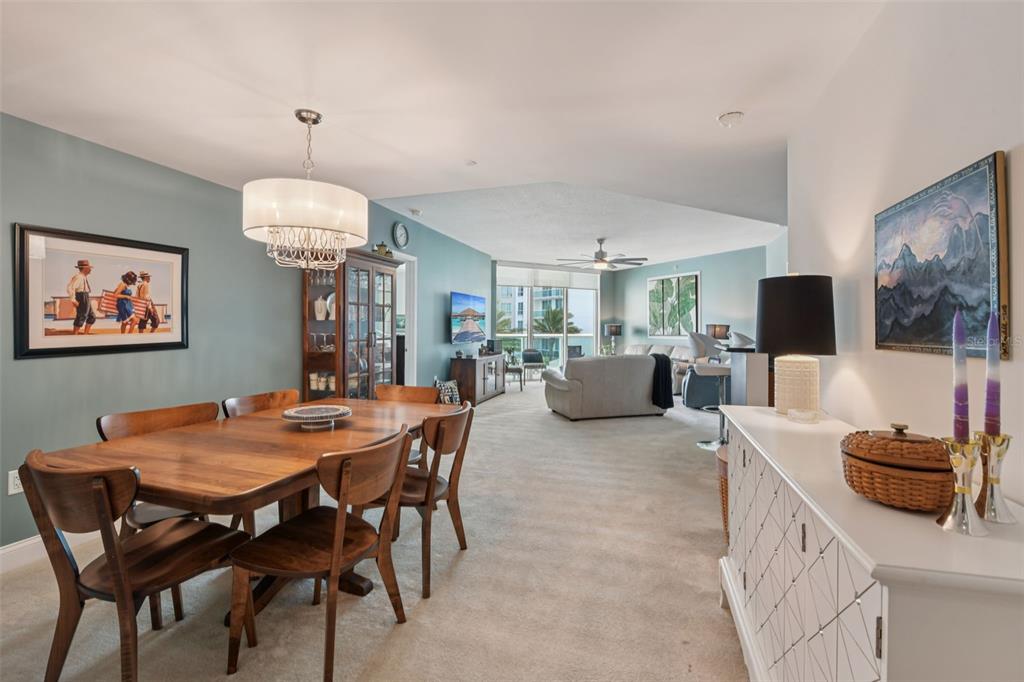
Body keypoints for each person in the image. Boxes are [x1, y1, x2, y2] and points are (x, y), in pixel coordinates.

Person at [66, 259, 95, 334]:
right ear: (85, 268)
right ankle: (75, 335)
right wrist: (73, 300)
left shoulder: (83, 277)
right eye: (89, 268)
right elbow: (70, 287)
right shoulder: (78, 277)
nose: (90, 269)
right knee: (81, 316)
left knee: (92, 317)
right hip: (82, 297)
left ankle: (85, 334)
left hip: (85, 296)